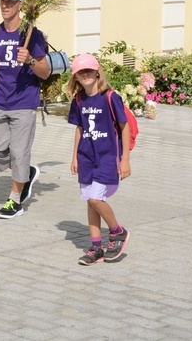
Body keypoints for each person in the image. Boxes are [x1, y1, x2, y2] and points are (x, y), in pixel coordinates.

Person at [0, 0, 51, 219]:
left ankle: (15, 201)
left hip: (24, 103)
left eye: (10, 2)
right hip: (0, 101)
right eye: (2, 1)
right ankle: (24, 171)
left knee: (19, 152)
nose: (5, 5)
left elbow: (45, 72)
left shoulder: (31, 34)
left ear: (20, 6)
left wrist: (29, 60)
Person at [65, 53, 131, 265]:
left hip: (106, 157)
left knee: (96, 199)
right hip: (86, 157)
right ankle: (96, 246)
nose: (85, 75)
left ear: (97, 72)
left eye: (89, 71)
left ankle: (117, 232)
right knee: (90, 203)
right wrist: (74, 156)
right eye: (80, 72)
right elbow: (80, 129)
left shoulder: (111, 97)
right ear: (75, 77)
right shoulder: (78, 99)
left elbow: (124, 127)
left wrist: (125, 159)